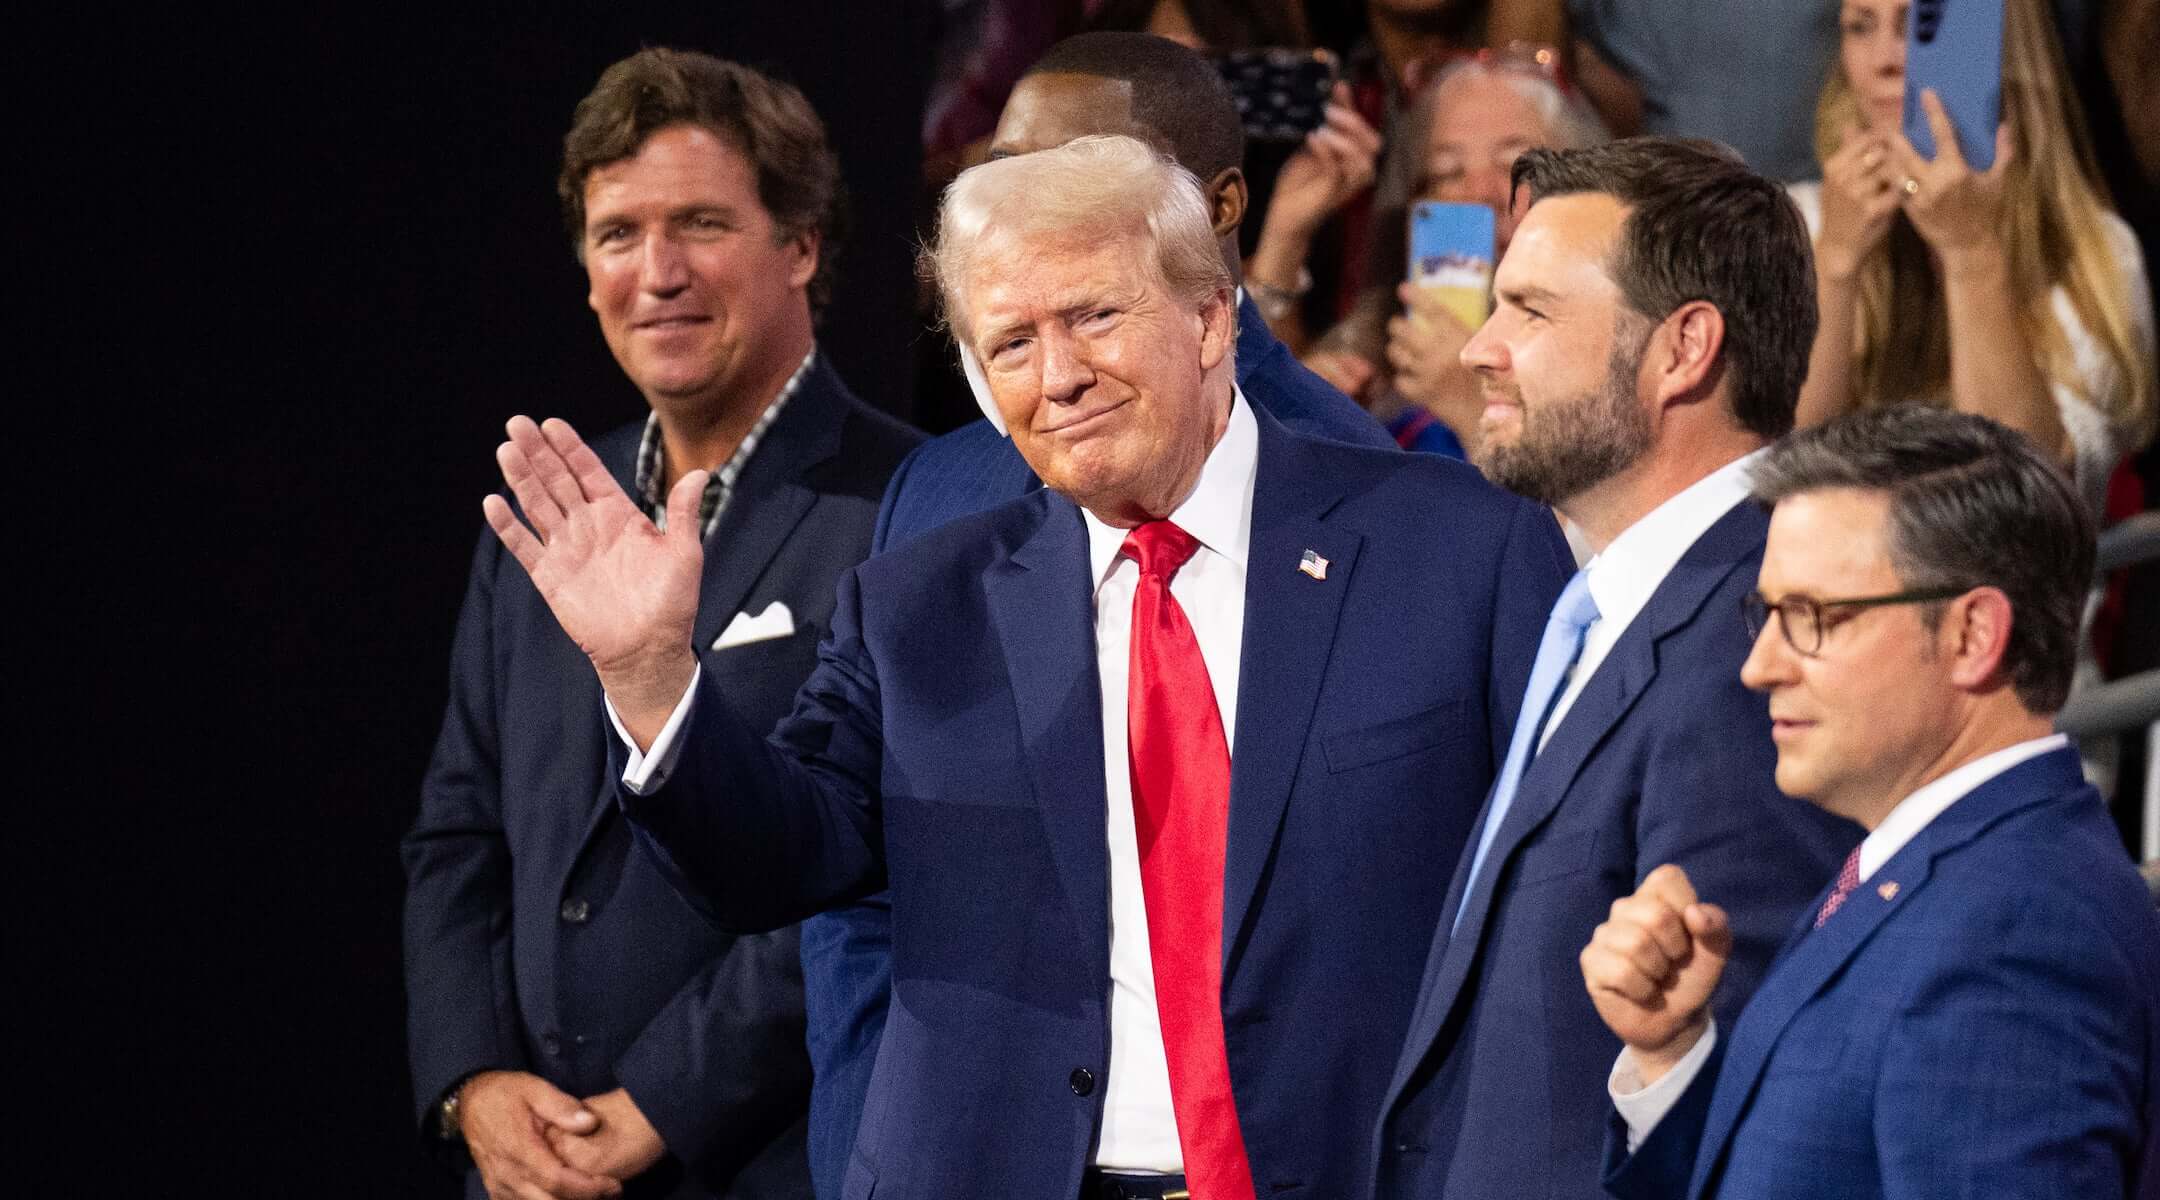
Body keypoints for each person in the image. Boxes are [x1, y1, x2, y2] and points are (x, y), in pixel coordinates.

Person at [485, 133, 1570, 1200]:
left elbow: (1554, 900)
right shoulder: (918, 604)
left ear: (1208, 317)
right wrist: (649, 675)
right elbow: (779, 858)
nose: (1059, 378)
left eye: (1095, 316)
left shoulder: (1460, 549)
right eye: (1009, 345)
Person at [799, 34, 1396, 1197]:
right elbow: (867, 870)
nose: (1028, 206)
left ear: (1217, 207)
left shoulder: (1360, 494)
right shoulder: (940, 488)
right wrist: (871, 1128)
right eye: (1005, 172)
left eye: (1080, 167)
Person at [402, 48, 920, 1200]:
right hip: (526, 1171)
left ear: (803, 245)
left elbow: (881, 857)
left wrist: (664, 1103)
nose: (658, 272)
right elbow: (458, 835)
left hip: (765, 1163)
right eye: (618, 234)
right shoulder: (543, 518)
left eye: (701, 223)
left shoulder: (911, 504)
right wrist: (472, 1082)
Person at [1371, 138, 1861, 1200]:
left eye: (1531, 312)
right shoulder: (1603, 607)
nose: (1479, 351)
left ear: (1683, 349)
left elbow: (1740, 1091)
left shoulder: (1753, 640)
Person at [1589, 406, 2160, 1200]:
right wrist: (1672, 1058)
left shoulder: (2018, 926)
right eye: (1767, 614)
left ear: (1972, 636)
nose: (1759, 666)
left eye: (1813, 617)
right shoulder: (1924, 868)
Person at [1793, 0, 2155, 521]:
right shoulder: (1799, 222)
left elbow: (2022, 500)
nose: (1883, 60)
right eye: (1861, 26)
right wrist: (1837, 266)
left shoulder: (2092, 254)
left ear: (1995, 48)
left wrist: (1971, 255)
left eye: (1920, 29)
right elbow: (1774, 475)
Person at [1298, 50, 1607, 455]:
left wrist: (1469, 402)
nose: (1479, 193)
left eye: (1515, 164)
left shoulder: (1616, 356)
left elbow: (1575, 517)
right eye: (1448, 172)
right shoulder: (1375, 361)